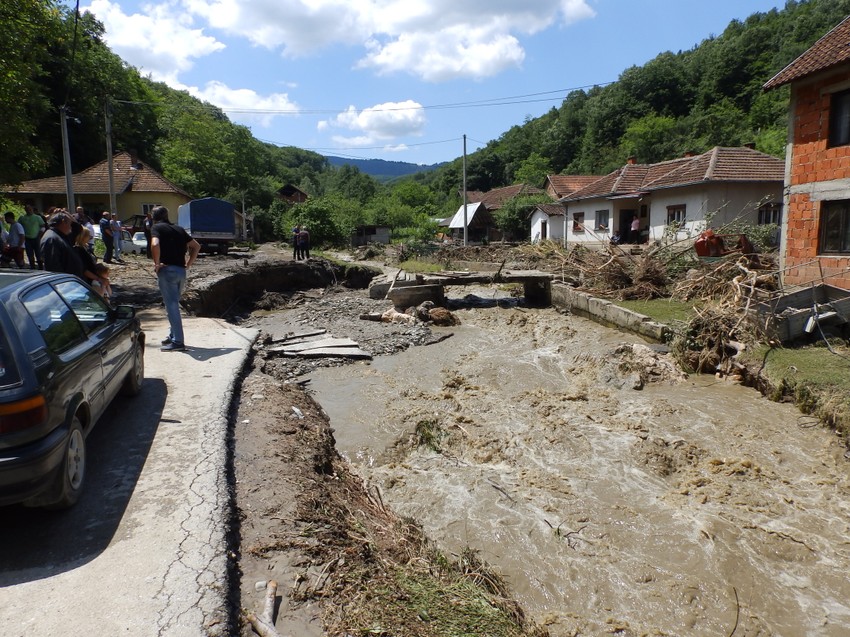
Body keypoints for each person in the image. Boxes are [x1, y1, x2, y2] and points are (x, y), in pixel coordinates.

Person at [151, 205, 200, 352]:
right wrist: (189, 263)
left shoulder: (157, 228)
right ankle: (173, 335)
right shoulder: (179, 229)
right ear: (167, 215)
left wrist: (157, 263)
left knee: (171, 306)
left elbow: (155, 244)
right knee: (173, 304)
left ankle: (178, 341)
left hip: (167, 271)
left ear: (154, 218)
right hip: (181, 271)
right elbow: (196, 246)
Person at [40, 211, 85, 278]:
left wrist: (65, 212)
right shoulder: (51, 239)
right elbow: (53, 268)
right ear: (63, 222)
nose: (71, 227)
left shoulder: (60, 235)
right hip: (65, 284)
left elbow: (77, 228)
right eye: (70, 224)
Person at [73, 227, 109, 295]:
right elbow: (84, 269)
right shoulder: (79, 250)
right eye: (88, 235)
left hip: (95, 278)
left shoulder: (86, 247)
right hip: (88, 281)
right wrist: (99, 279)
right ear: (83, 236)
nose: (91, 237)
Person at [19, 205, 45, 269]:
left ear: (32, 209)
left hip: (36, 237)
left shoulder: (37, 217)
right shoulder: (22, 218)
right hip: (27, 238)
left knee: (38, 253)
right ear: (25, 210)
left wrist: (40, 235)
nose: (29, 211)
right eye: (27, 209)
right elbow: (19, 227)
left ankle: (41, 267)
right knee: (29, 254)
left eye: (30, 209)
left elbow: (43, 226)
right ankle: (32, 267)